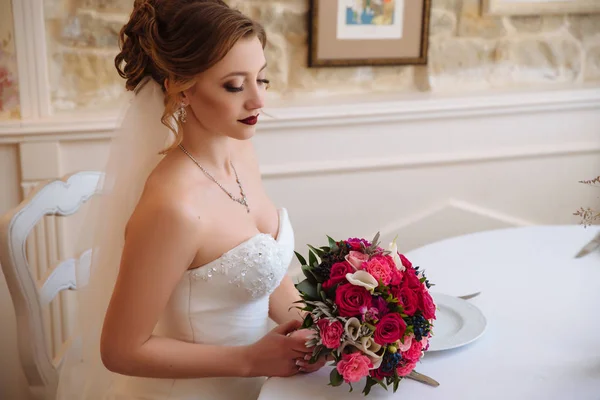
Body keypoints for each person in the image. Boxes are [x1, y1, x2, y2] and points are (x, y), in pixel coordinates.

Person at [56, 1, 327, 399]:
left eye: (262, 79)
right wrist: (251, 360)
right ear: (180, 88)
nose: (258, 100)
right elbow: (121, 351)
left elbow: (263, 270)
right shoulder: (172, 208)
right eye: (235, 85)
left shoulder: (241, 154)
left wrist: (321, 329)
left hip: (267, 381)